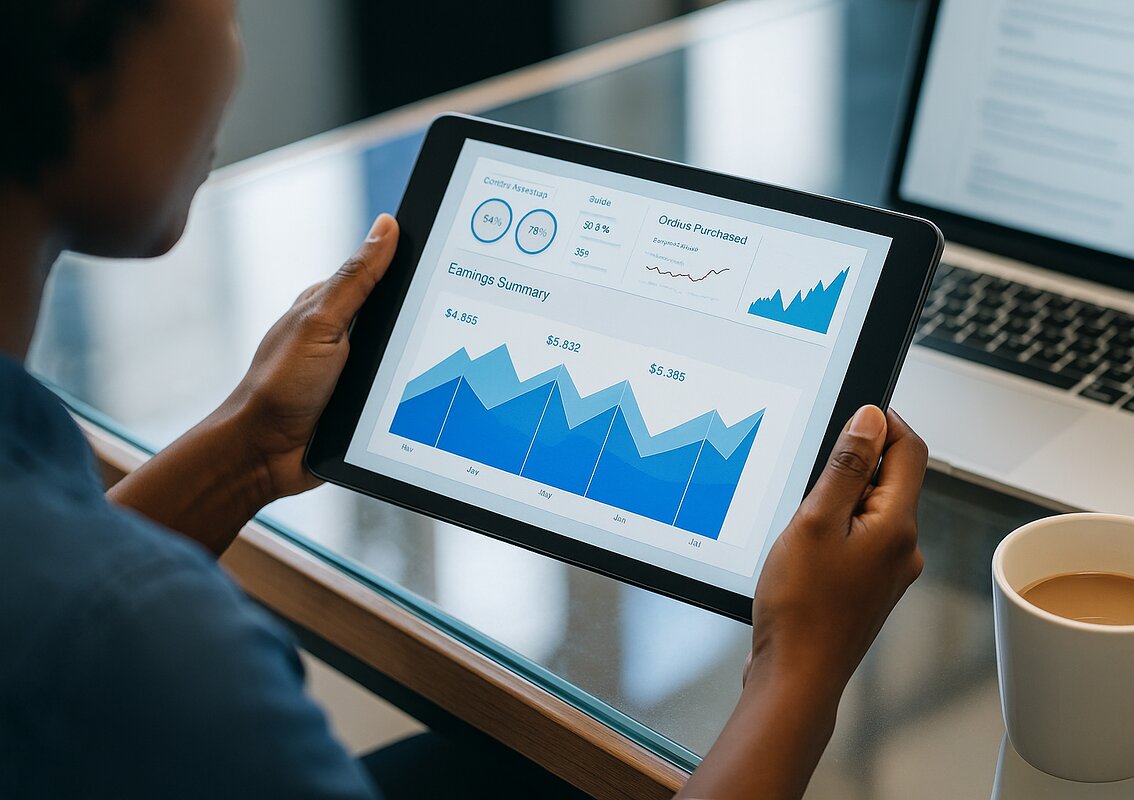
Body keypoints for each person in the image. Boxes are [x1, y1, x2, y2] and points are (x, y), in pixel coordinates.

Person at [0, 1, 928, 798]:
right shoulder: (154, 653)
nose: (235, 50)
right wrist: (799, 664)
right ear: (75, 66)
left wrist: (248, 447)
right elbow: (95, 627)